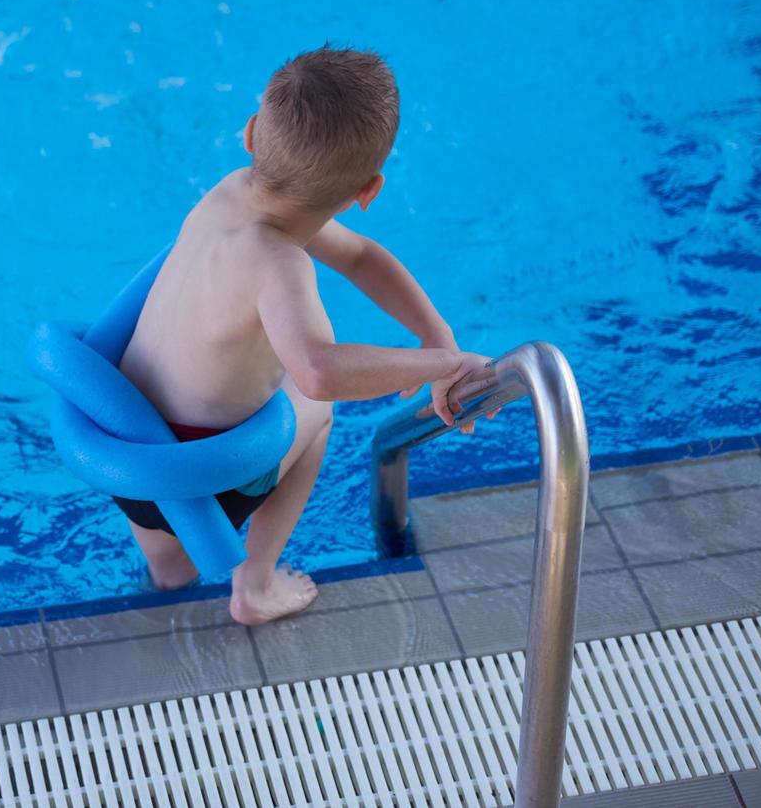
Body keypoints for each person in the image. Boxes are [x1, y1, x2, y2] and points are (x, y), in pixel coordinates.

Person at [115, 46, 494, 625]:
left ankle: (167, 581)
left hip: (128, 447)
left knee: (171, 565)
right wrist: (444, 365)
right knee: (316, 416)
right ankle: (255, 587)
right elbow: (320, 373)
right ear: (370, 191)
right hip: (207, 469)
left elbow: (363, 257)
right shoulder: (281, 264)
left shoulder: (230, 192)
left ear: (249, 133)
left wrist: (434, 338)